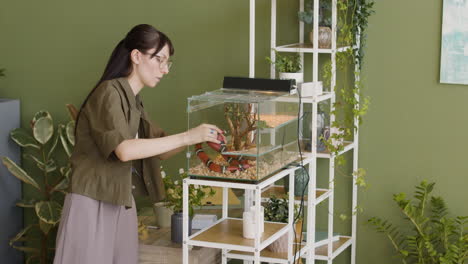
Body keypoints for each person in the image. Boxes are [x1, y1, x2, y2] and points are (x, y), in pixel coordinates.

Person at [53, 24, 223, 264]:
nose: (165, 70)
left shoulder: (134, 101)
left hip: (120, 199)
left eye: (168, 63)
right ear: (136, 56)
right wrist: (189, 136)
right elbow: (124, 150)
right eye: (160, 60)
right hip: (92, 201)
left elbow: (159, 149)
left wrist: (202, 137)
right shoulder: (108, 93)